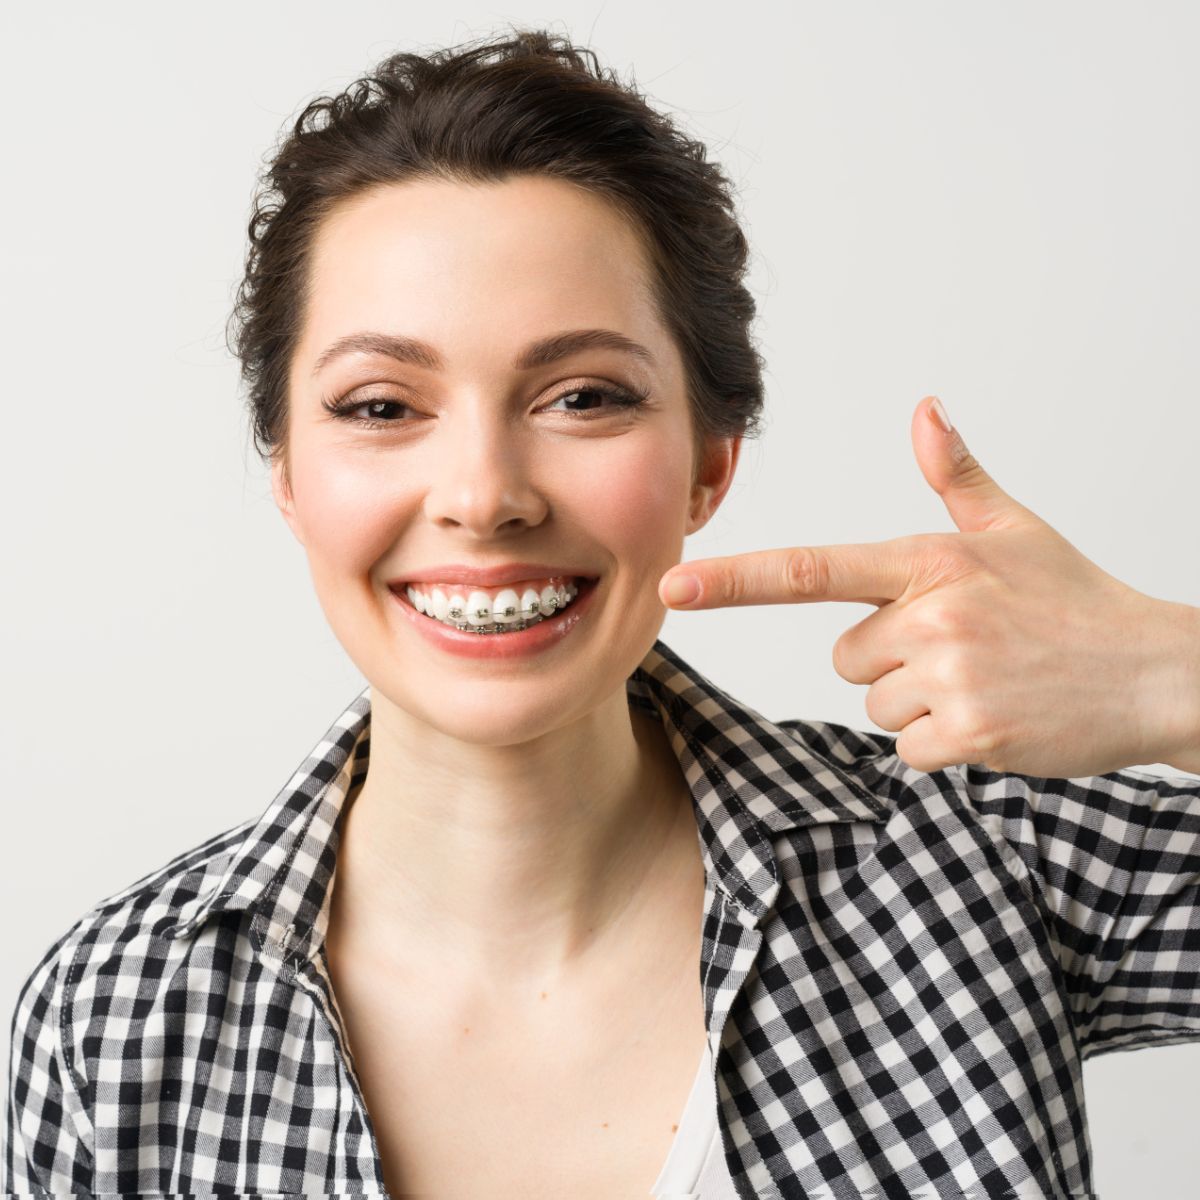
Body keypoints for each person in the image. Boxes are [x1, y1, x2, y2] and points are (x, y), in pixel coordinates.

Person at [5, 26, 1200, 1200]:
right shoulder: (114, 1021)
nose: (483, 496)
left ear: (708, 464)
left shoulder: (978, 864)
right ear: (287, 474)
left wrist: (1168, 677)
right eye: (379, 406)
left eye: (582, 396)